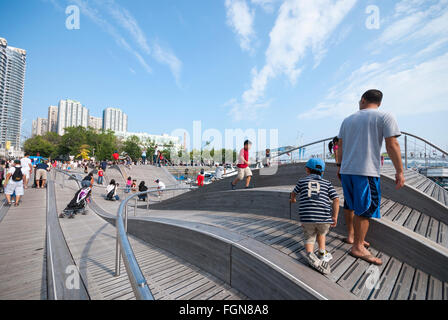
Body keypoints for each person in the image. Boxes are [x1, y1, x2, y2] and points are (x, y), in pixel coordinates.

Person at [337, 89, 404, 266]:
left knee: (350, 204)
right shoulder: (385, 116)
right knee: (366, 208)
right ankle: (358, 246)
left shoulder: (347, 120)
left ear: (363, 100)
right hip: (365, 171)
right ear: (379, 103)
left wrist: (339, 166)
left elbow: (340, 146)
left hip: (347, 170)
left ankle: (352, 236)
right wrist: (400, 171)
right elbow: (392, 144)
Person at [290, 158, 339, 275]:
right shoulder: (327, 183)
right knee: (321, 233)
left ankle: (310, 254)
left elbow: (294, 192)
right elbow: (336, 199)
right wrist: (335, 217)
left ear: (307, 170)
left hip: (307, 218)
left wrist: (293, 199)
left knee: (309, 237)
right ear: (322, 172)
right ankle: (322, 253)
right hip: (324, 217)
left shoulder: (302, 181)